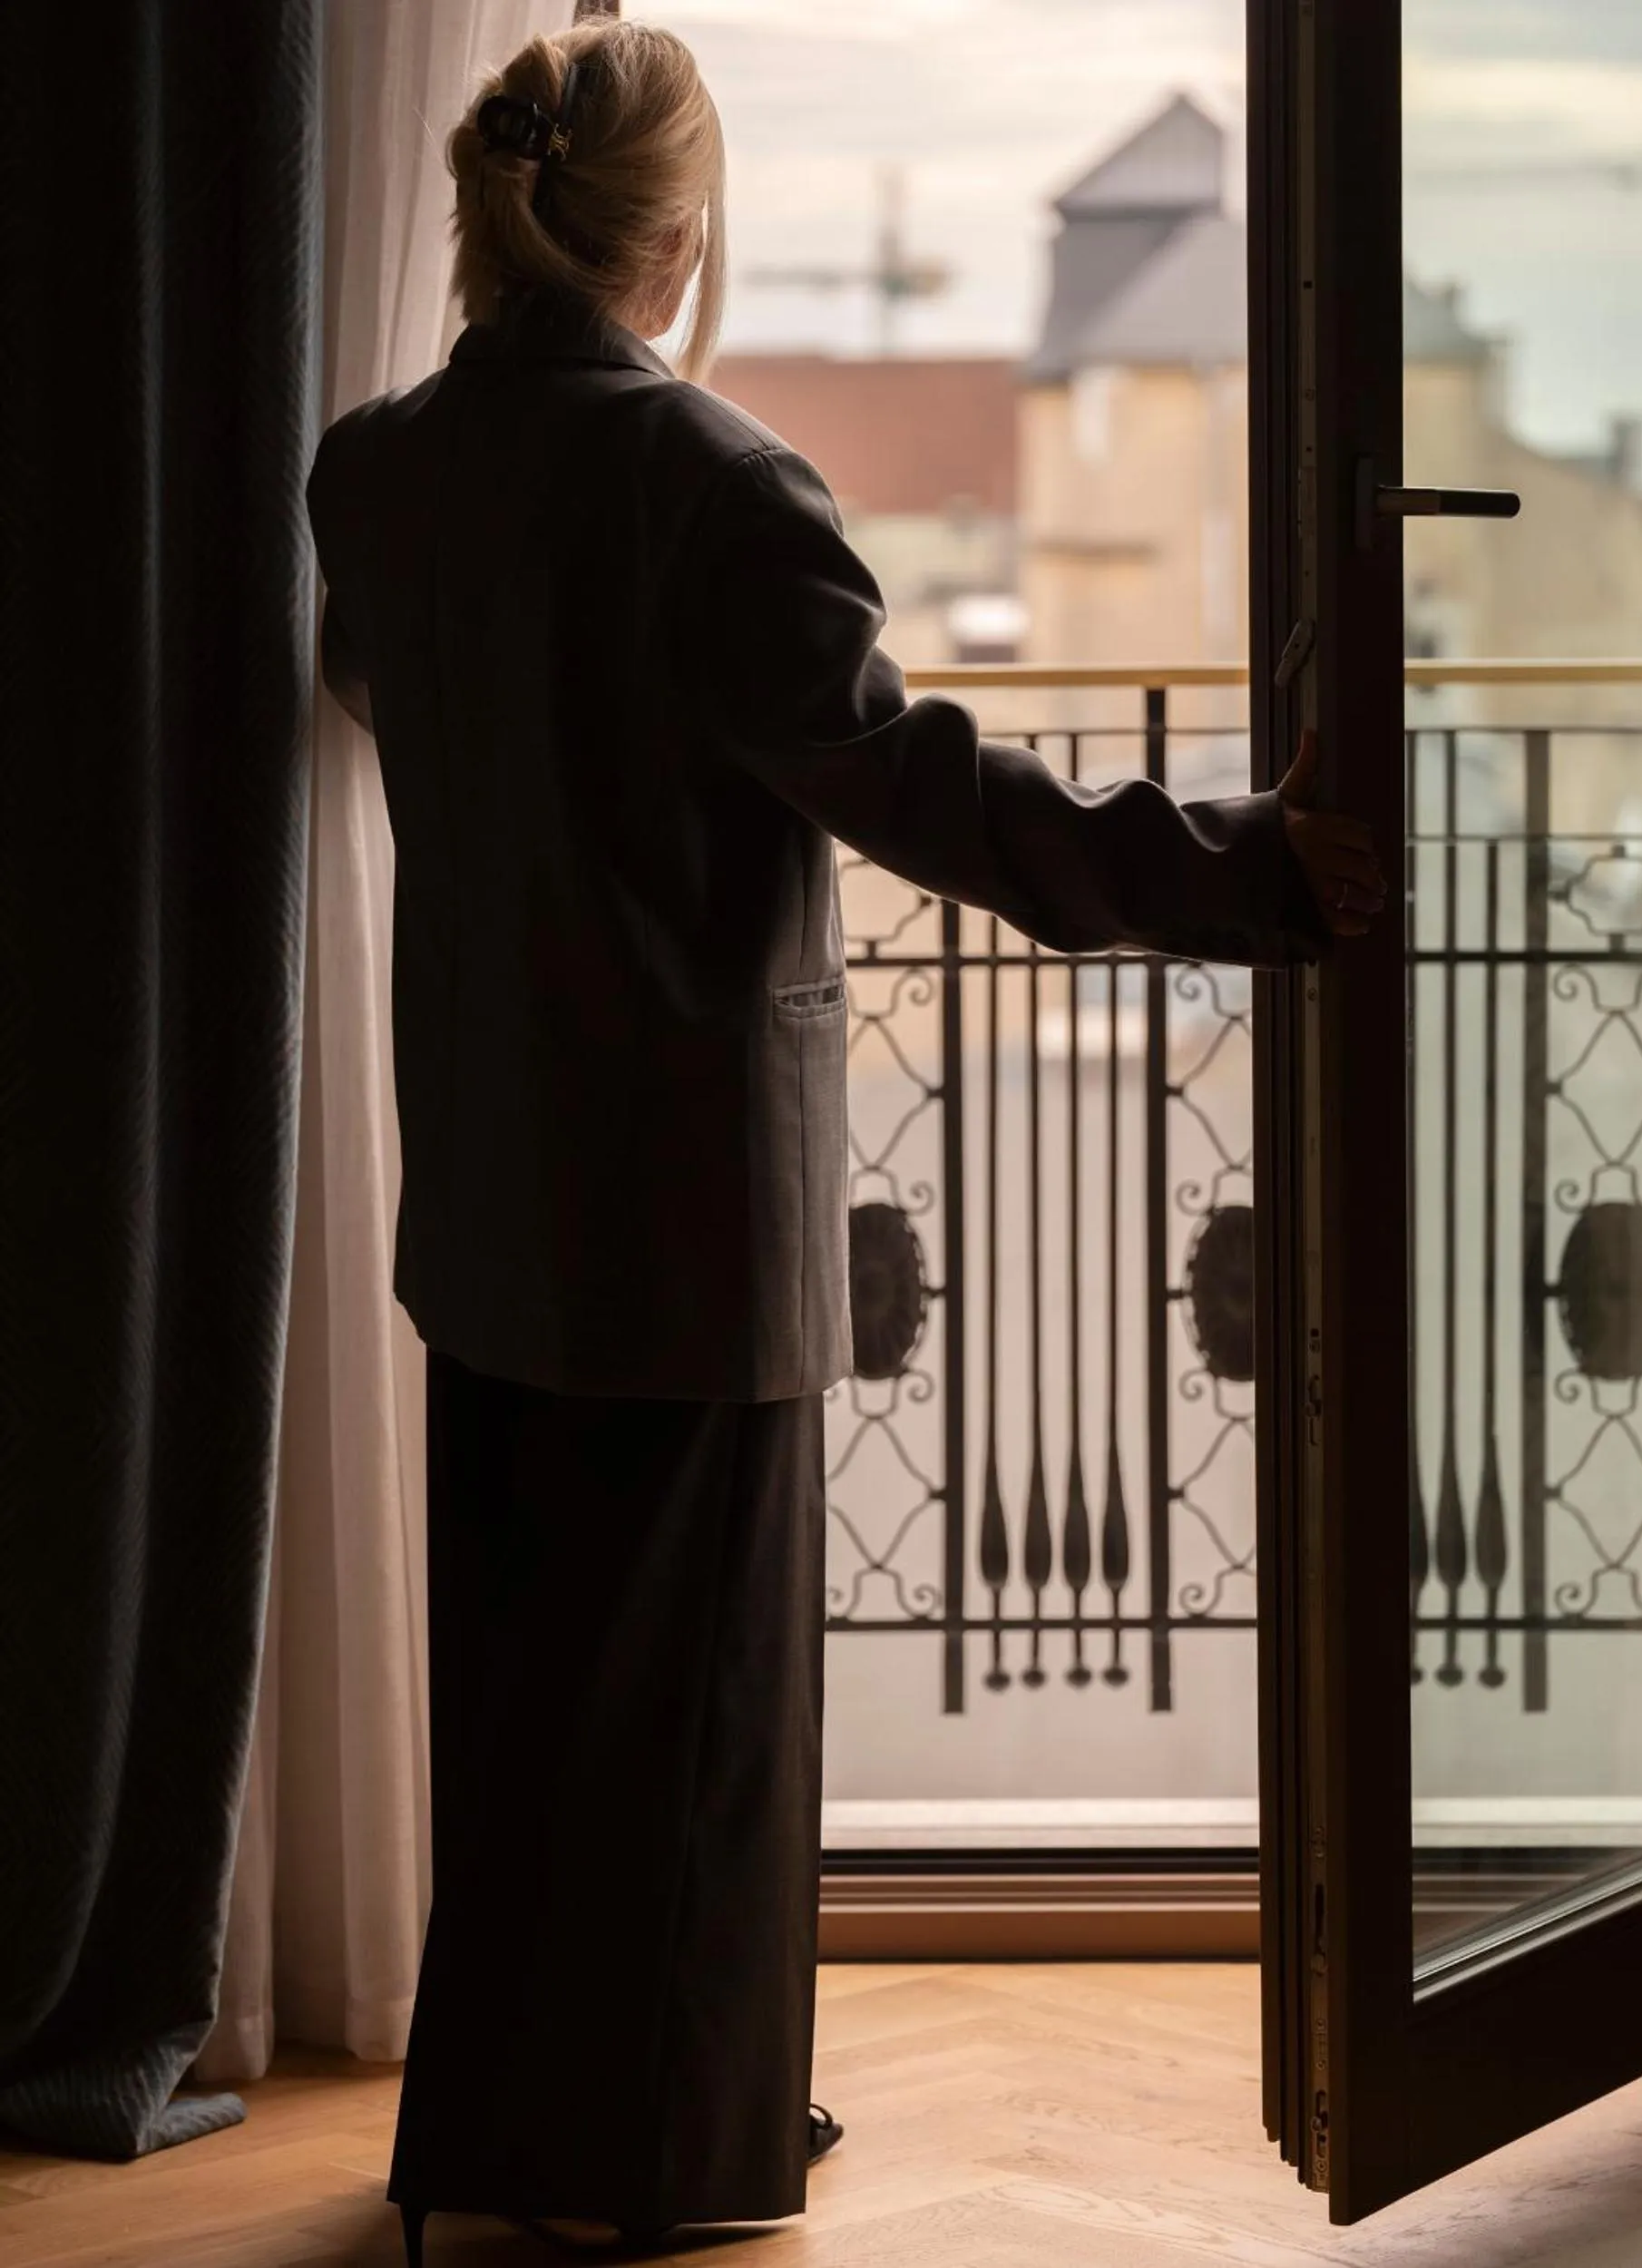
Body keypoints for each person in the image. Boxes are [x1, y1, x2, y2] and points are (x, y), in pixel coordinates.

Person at [305, 19, 1383, 2263]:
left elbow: (388, 686)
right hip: (692, 1183)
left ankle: (493, 2134)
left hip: (492, 1163)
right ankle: (670, 2153)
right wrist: (1250, 865)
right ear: (679, 237)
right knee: (694, 1697)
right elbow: (928, 796)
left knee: (525, 1686)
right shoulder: (720, 484)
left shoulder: (374, 465)